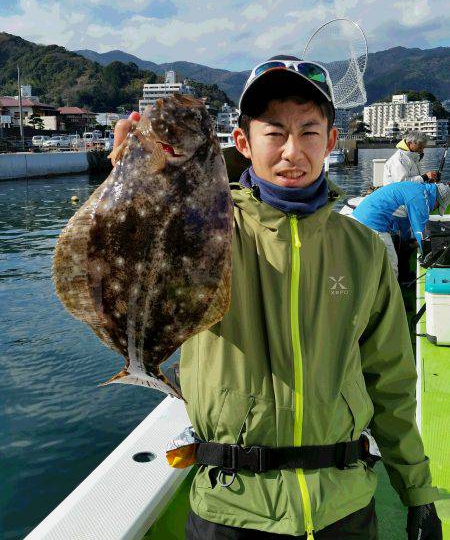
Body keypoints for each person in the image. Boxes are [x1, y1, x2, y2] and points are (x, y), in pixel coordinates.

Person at [112, 57, 442, 540]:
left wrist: (417, 491)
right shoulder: (198, 231)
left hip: (344, 507)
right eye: (274, 133)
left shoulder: (364, 250)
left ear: (331, 141)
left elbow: (390, 379)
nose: (293, 151)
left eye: (309, 132)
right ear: (243, 143)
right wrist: (131, 188)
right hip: (230, 508)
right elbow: (138, 272)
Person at [351, 181, 450, 277]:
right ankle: (390, 293)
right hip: (373, 223)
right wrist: (430, 256)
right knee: (391, 267)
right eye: (438, 207)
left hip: (361, 216)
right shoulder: (421, 200)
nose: (435, 209)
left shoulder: (417, 189)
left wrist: (409, 241)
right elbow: (422, 233)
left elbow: (403, 223)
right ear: (438, 200)